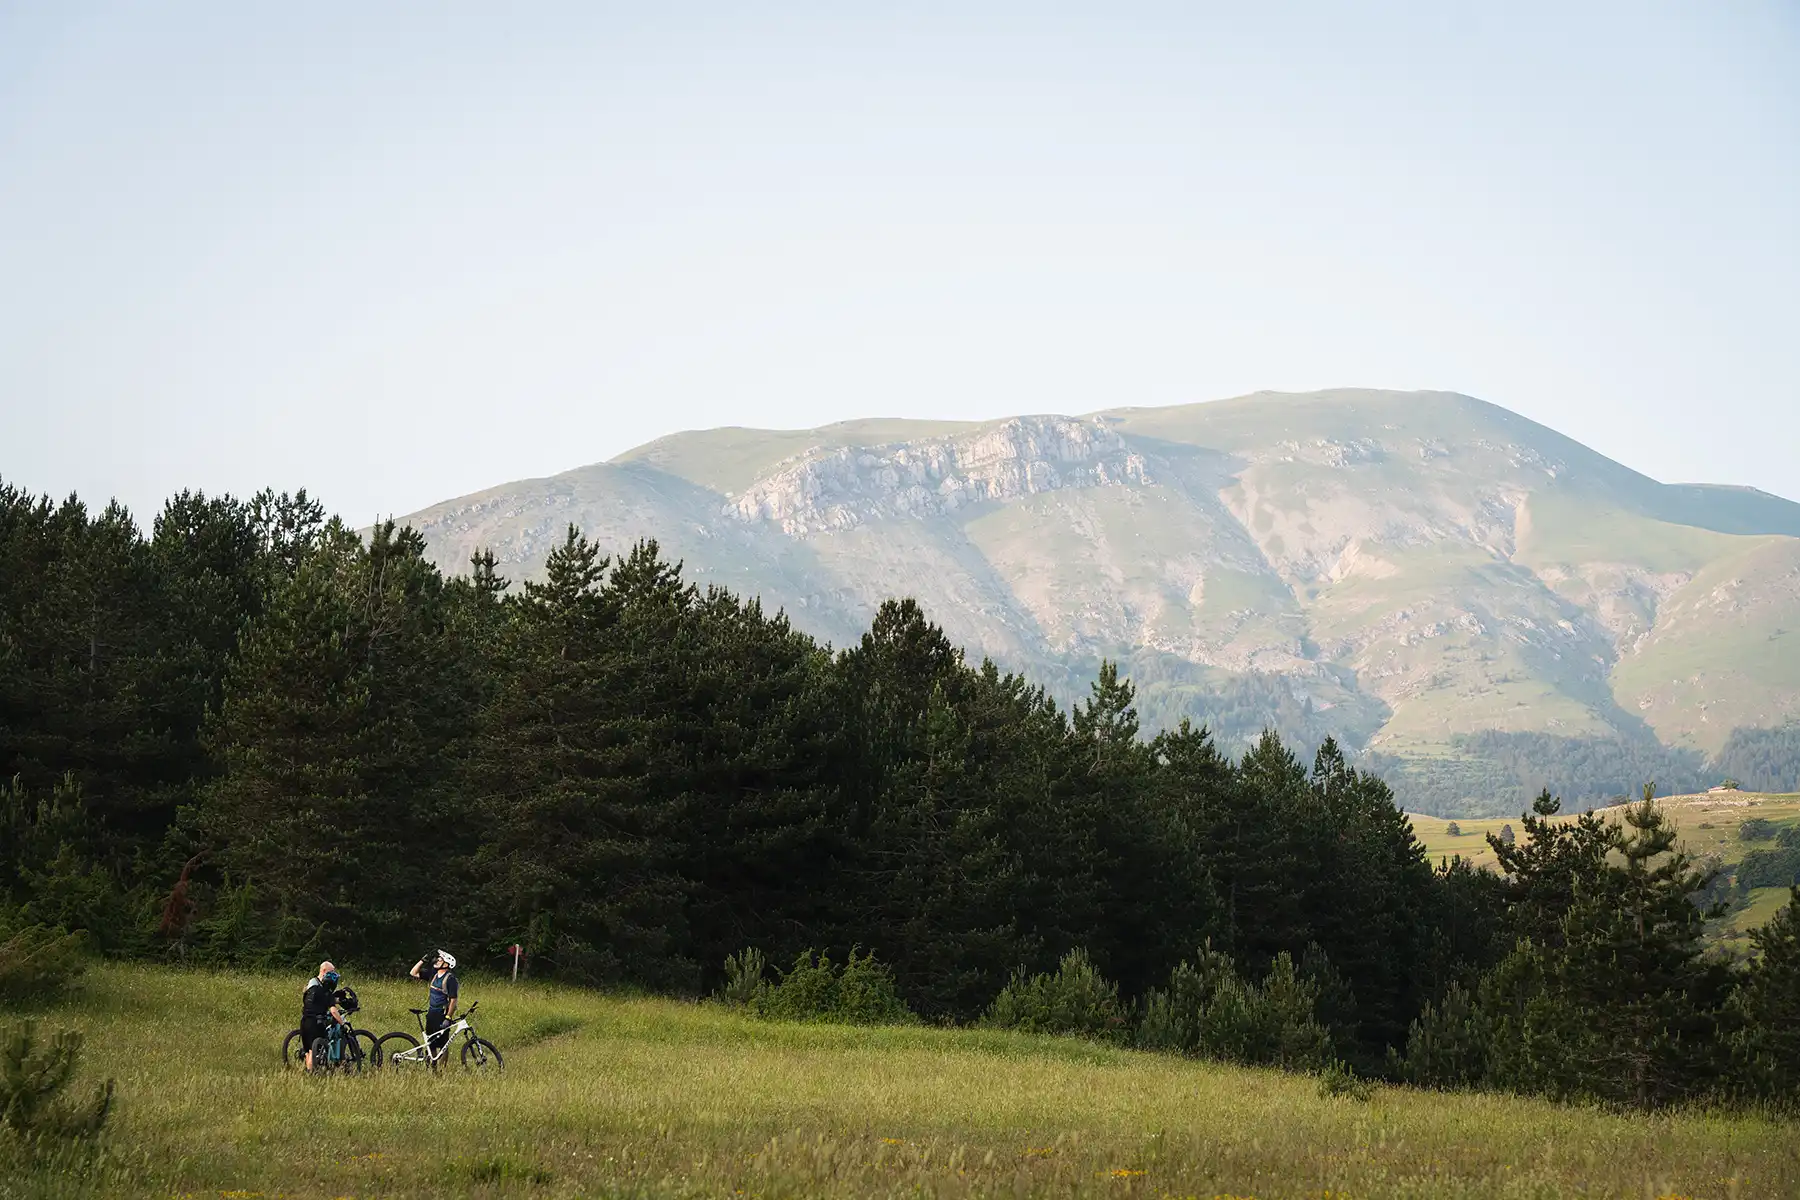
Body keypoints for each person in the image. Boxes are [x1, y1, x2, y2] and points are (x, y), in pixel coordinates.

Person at [410, 949, 459, 1060]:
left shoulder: (451, 979)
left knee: (443, 1045)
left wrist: (448, 1017)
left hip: (442, 1014)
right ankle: (433, 1066)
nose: (436, 961)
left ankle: (443, 1069)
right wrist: (422, 960)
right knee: (431, 1044)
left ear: (446, 964)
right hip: (431, 1013)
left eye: (440, 960)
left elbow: (453, 1000)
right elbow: (413, 973)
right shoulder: (433, 974)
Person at [300, 961, 345, 1071]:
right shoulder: (326, 991)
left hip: (304, 1021)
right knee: (314, 1050)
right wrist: (342, 1023)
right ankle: (315, 1072)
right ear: (324, 971)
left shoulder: (311, 987)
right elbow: (333, 1011)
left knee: (308, 1052)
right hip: (316, 1023)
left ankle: (309, 1073)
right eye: (332, 971)